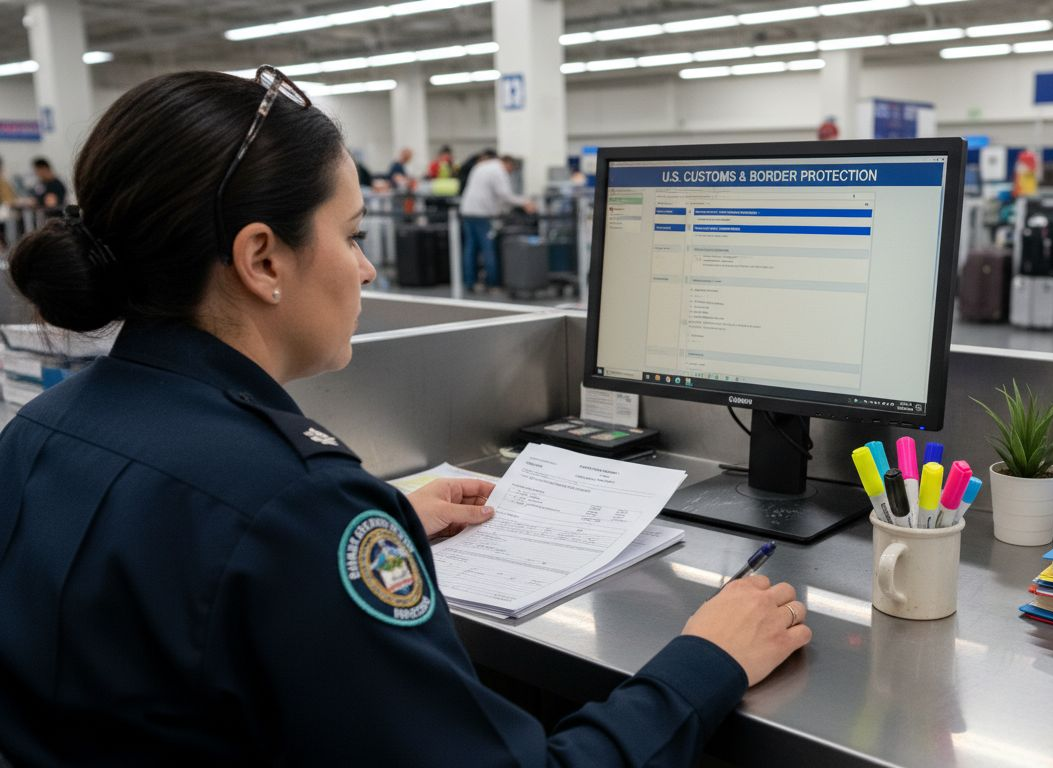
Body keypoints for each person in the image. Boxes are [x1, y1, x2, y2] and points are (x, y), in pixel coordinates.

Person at [0, 69, 810, 764]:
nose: (367, 266)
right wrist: (703, 661)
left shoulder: (39, 431)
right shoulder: (299, 506)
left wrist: (369, 527)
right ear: (261, 259)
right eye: (350, 235)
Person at [459, 153, 534, 289]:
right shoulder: (499, 170)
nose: (510, 173)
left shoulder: (482, 166)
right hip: (482, 213)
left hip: (467, 210)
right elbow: (504, 194)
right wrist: (524, 202)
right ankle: (492, 283)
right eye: (511, 170)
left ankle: (470, 282)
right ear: (508, 164)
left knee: (470, 248)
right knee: (488, 247)